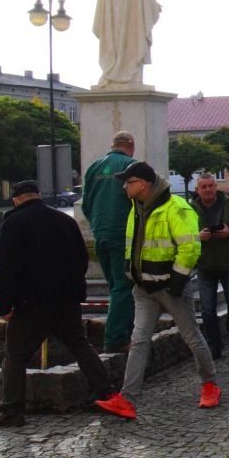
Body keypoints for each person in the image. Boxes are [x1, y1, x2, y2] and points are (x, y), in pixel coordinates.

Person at [95, 161, 221, 420]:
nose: (124, 186)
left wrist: (176, 282)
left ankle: (210, 385)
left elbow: (190, 248)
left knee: (192, 337)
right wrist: (132, 274)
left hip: (171, 287)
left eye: (128, 182)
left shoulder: (177, 208)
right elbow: (133, 245)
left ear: (143, 184)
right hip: (144, 289)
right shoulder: (135, 208)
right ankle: (127, 399)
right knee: (139, 340)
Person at [0, 181, 113, 427]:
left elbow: (7, 269)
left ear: (16, 199)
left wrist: (4, 305)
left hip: (31, 304)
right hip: (66, 301)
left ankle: (12, 411)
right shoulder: (65, 221)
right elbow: (82, 260)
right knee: (80, 346)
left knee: (15, 356)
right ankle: (108, 394)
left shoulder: (14, 223)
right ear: (38, 196)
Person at [81, 130, 137, 353]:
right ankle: (116, 339)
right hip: (122, 234)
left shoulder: (94, 166)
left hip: (100, 233)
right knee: (124, 286)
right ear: (131, 145)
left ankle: (120, 333)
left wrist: (97, 223)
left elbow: (86, 203)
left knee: (115, 287)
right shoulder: (131, 166)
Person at [190, 173, 229, 358]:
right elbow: (182, 234)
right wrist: (197, 237)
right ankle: (214, 345)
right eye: (204, 187)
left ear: (216, 186)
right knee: (207, 309)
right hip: (205, 265)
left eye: (210, 186)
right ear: (198, 190)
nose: (208, 189)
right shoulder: (190, 209)